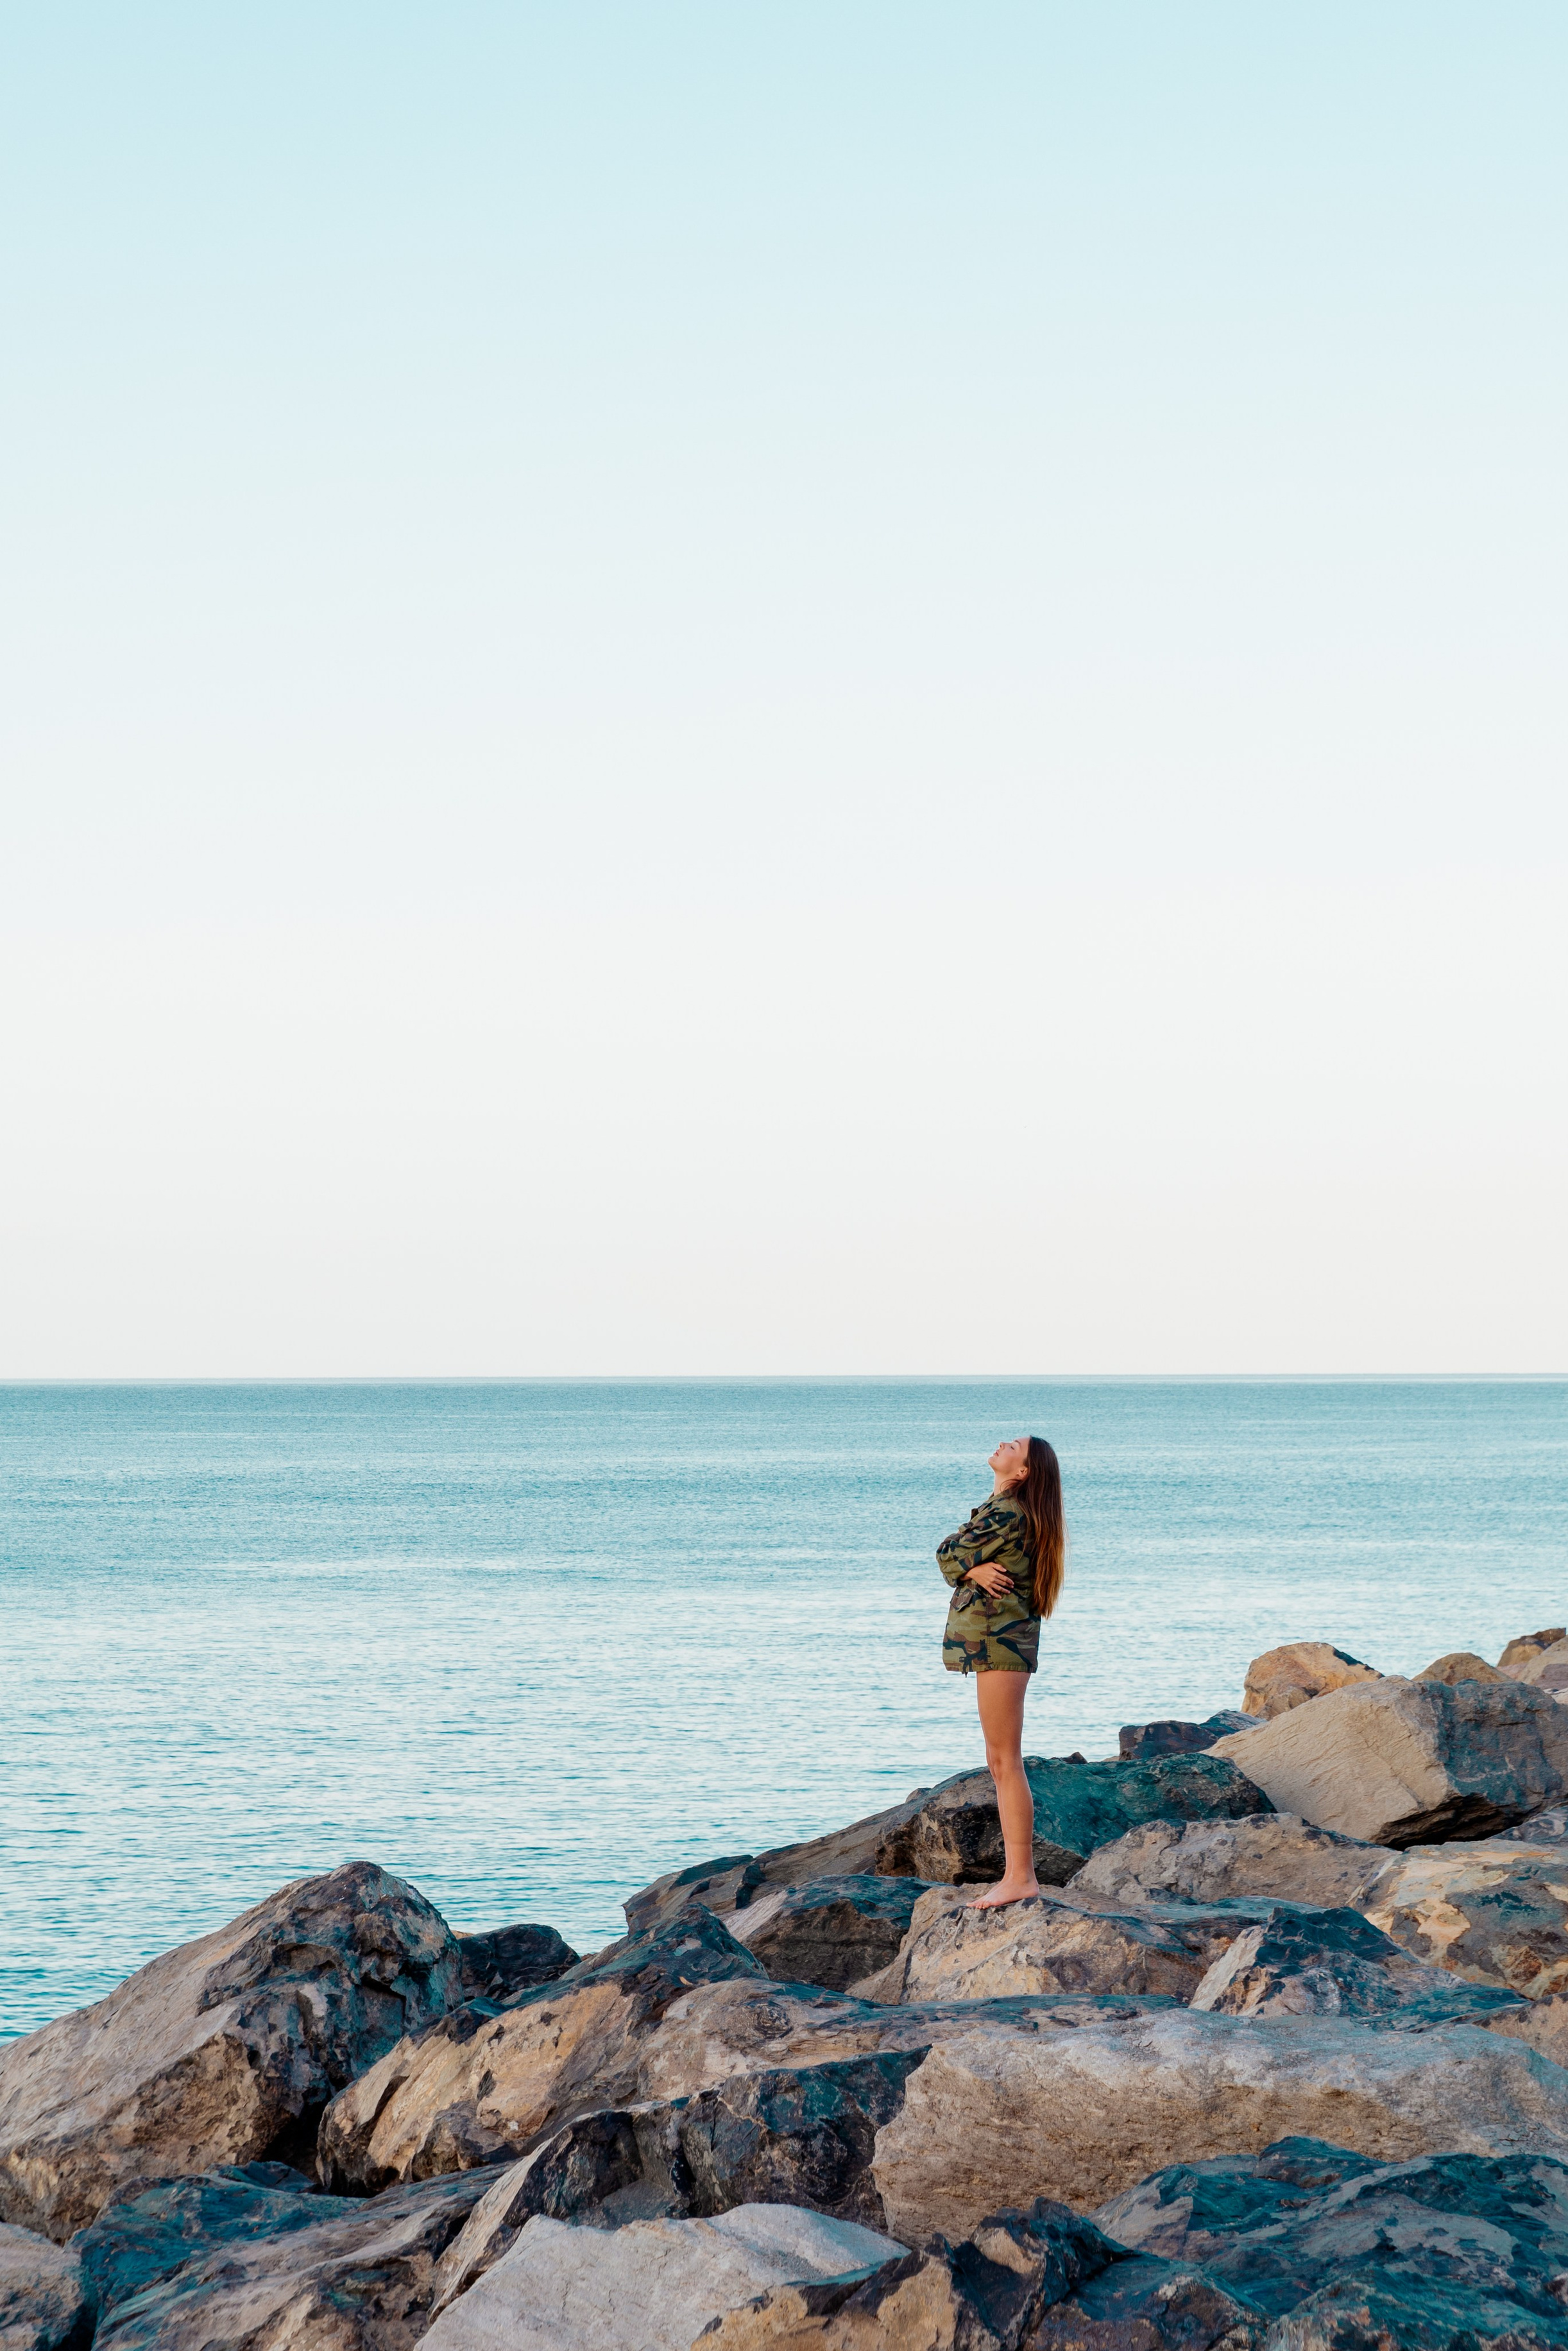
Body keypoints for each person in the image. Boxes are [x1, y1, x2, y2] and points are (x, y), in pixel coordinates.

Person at [937, 1435, 1066, 1910]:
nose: (1003, 1444)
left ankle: (1020, 1878)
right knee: (1000, 1761)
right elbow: (960, 1560)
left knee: (1006, 1762)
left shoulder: (1008, 1513)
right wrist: (974, 1570)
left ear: (1023, 1472)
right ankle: (1018, 1876)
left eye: (1014, 1446)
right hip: (1000, 1641)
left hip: (1000, 1641)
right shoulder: (1004, 1509)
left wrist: (966, 1567)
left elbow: (947, 1553)